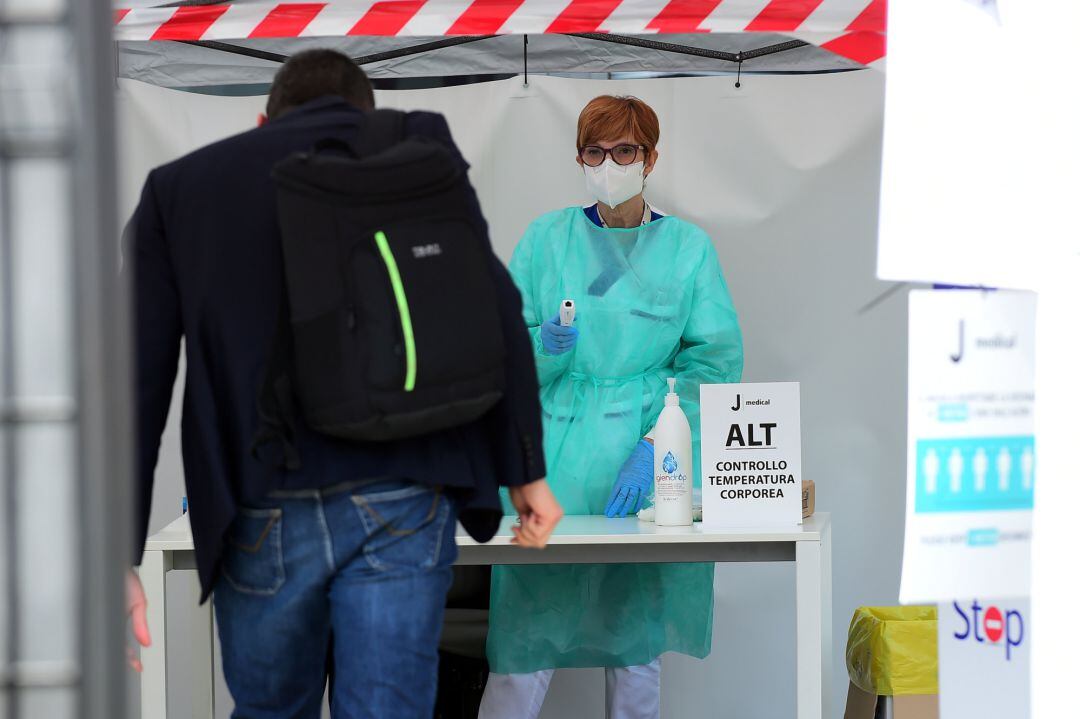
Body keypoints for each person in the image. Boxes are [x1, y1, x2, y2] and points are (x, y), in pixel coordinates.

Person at [123, 49, 562, 719]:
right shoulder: (413, 160)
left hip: (261, 495)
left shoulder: (180, 189)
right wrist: (526, 469)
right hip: (405, 486)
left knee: (272, 709)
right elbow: (493, 303)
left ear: (263, 119)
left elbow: (136, 373)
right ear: (368, 115)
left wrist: (116, 546)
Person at [479, 96, 744, 719]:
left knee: (635, 647)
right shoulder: (546, 239)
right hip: (556, 461)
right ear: (579, 157)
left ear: (651, 158)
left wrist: (660, 449)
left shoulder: (687, 249)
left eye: (625, 151)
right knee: (525, 643)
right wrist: (543, 346)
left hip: (644, 460)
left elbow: (713, 365)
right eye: (596, 152)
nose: (609, 164)